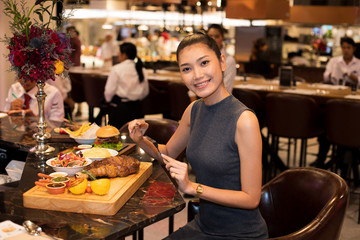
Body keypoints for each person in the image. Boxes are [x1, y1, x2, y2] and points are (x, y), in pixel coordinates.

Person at [128, 33, 268, 239]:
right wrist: (141, 139)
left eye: (204, 63)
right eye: (186, 68)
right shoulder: (193, 109)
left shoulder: (244, 120)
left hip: (240, 233)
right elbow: (167, 153)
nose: (197, 75)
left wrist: (193, 187)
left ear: (221, 62)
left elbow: (251, 198)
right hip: (202, 226)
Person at [311, 36, 360, 169]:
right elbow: (326, 77)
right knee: (327, 125)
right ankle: (321, 162)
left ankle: (342, 157)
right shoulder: (334, 61)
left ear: (353, 49)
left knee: (346, 126)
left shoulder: (358, 63)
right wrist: (333, 72)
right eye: (343, 47)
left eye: (348, 47)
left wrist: (349, 75)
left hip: (353, 107)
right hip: (334, 102)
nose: (345, 50)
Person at [103, 42, 149, 129]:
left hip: (121, 110)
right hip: (138, 109)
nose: (118, 55)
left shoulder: (116, 69)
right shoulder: (142, 69)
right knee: (136, 136)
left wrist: (108, 101)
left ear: (124, 55)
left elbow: (109, 92)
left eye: (119, 53)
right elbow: (145, 92)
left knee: (117, 135)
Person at [207, 24, 236, 94]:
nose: (213, 39)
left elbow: (226, 89)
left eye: (216, 36)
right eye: (210, 36)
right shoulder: (202, 58)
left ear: (222, 38)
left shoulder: (229, 60)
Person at [67, 26, 82, 117]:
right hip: (74, 65)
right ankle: (76, 108)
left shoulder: (74, 40)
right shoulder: (75, 40)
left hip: (74, 66)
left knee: (75, 88)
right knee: (75, 88)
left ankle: (75, 108)